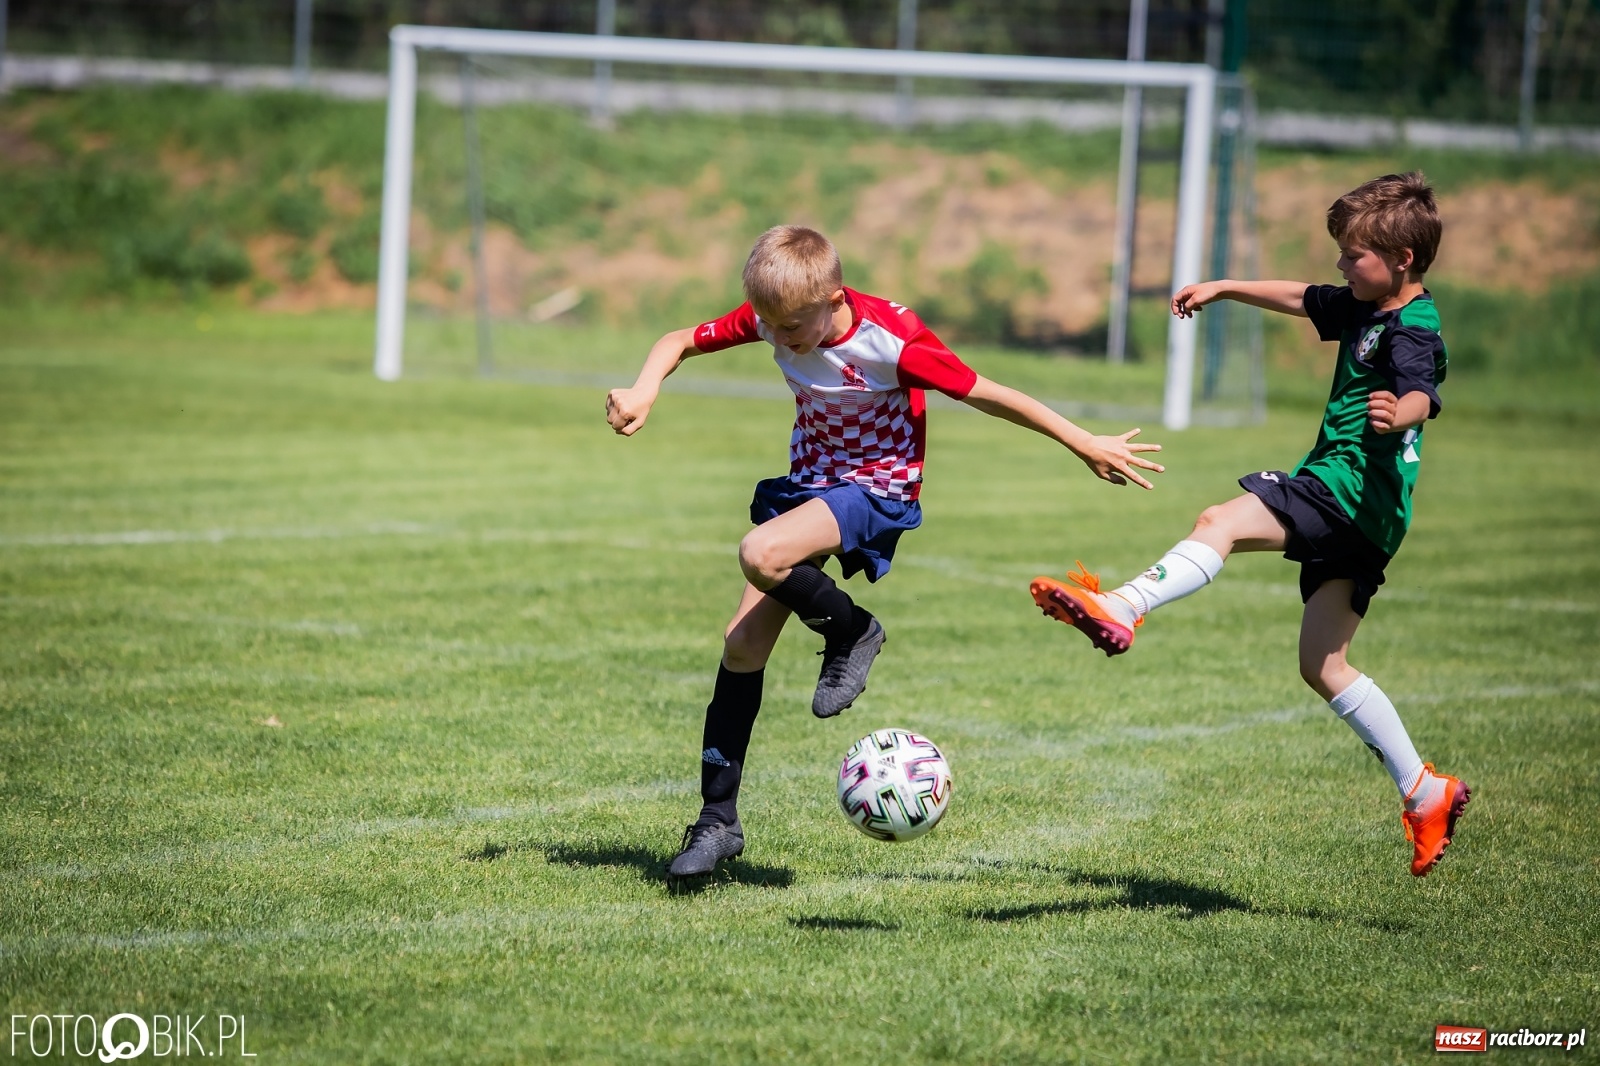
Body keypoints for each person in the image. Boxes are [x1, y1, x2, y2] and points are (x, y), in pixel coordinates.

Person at [606, 224, 1165, 878]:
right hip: (810, 486)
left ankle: (855, 631)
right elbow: (677, 339)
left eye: (792, 325)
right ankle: (716, 822)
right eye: (769, 323)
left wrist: (1083, 441)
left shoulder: (891, 340)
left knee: (761, 552)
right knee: (741, 645)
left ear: (834, 297)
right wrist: (645, 387)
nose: (779, 337)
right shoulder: (776, 314)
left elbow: (989, 393)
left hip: (876, 491)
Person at [1030, 172, 1469, 877]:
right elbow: (1301, 297)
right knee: (1323, 666)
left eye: (1353, 255)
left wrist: (1405, 411)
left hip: (1349, 491)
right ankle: (1424, 791)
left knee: (1221, 520)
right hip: (1373, 516)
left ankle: (1123, 605)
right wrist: (1224, 286)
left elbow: (1422, 386)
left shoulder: (1411, 326)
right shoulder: (1365, 303)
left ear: (1403, 261)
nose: (1338, 265)